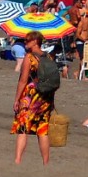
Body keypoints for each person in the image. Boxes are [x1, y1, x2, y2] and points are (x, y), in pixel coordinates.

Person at [11, 30, 54, 165]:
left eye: (27, 41)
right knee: (42, 130)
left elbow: (23, 80)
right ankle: (45, 162)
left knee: (23, 127)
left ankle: (18, 160)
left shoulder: (29, 58)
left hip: (31, 95)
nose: (25, 43)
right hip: (46, 96)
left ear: (35, 41)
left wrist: (17, 99)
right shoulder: (48, 57)